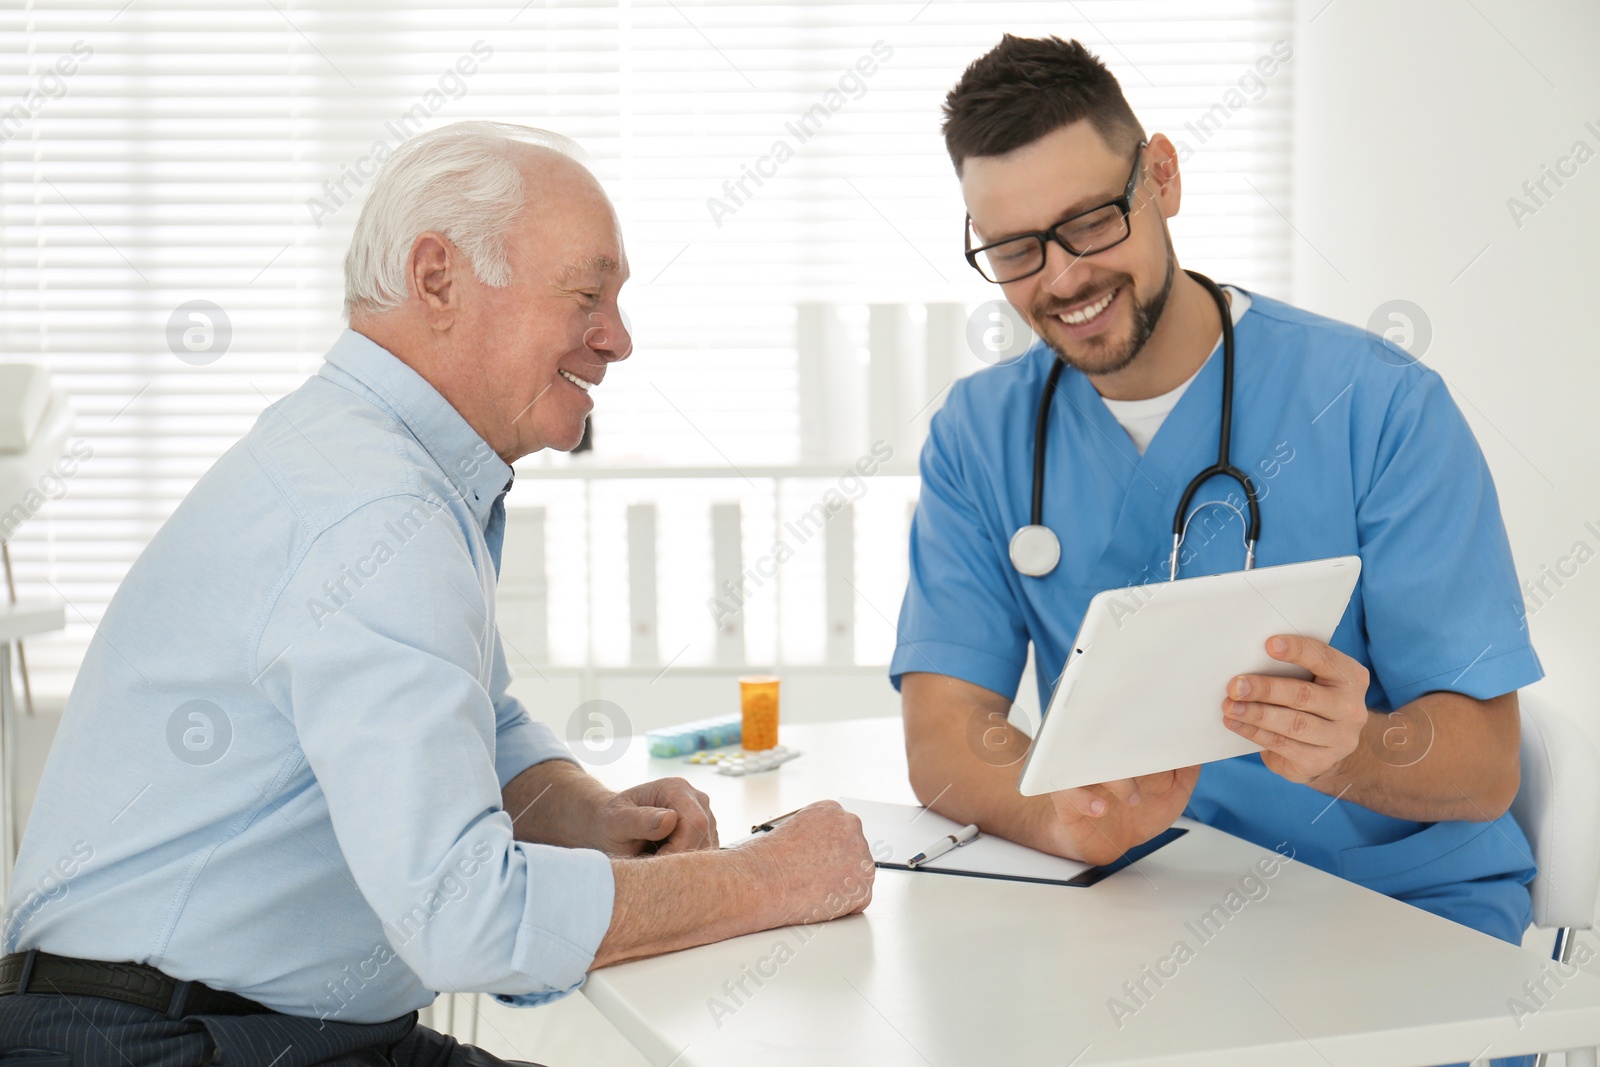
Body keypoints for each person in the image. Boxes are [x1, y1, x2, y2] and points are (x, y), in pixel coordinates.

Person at [0, 121, 873, 1066]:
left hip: (237, 1025)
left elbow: (478, 717)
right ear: (437, 279)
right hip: (153, 1041)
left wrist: (588, 813)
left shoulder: (372, 463)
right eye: (589, 294)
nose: (618, 339)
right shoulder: (376, 510)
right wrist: (772, 879)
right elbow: (464, 915)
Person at [893, 37, 1538, 1067]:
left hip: (1390, 922)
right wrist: (1061, 817)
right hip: (1135, 912)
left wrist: (1355, 746)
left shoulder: (1377, 405)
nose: (1063, 278)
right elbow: (944, 729)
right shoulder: (980, 432)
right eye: (1015, 248)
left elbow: (1483, 766)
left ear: (1161, 176)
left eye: (1090, 222)